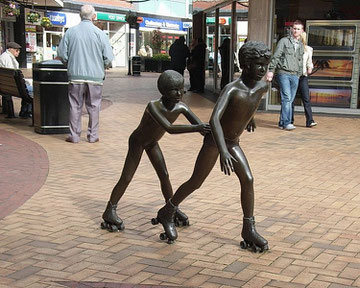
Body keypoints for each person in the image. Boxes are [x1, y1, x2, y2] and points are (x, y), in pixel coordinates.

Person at [153, 41, 272, 252]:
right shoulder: (232, 88)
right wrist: (222, 150)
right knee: (196, 181)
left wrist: (249, 118)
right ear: (245, 64)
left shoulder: (262, 87)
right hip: (215, 142)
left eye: (265, 65)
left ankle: (248, 228)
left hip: (233, 142)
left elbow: (249, 104)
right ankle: (167, 211)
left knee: (248, 179)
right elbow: (215, 119)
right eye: (258, 65)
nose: (262, 70)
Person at [101, 70, 211, 232]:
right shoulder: (153, 106)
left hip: (152, 142)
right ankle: (110, 210)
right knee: (127, 176)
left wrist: (216, 127)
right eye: (174, 90)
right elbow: (169, 128)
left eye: (181, 89)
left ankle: (171, 207)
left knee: (164, 175)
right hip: (138, 142)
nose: (179, 93)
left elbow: (202, 127)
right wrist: (197, 128)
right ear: (163, 91)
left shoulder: (181, 107)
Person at [57, 5, 114, 143]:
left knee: (75, 105)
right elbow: (108, 58)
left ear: (79, 15)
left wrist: (69, 64)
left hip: (75, 76)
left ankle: (74, 136)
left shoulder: (70, 32)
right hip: (95, 78)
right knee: (94, 106)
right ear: (93, 16)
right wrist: (102, 66)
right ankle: (93, 136)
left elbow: (62, 54)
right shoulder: (100, 34)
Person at [266, 20, 305, 131]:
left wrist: (299, 74)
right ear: (292, 29)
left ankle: (282, 122)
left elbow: (300, 60)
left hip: (295, 75)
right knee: (286, 98)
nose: (296, 30)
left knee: (289, 100)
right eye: (294, 28)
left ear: (302, 31)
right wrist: (271, 71)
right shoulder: (284, 41)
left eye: (298, 29)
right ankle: (287, 123)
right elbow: (276, 56)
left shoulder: (301, 45)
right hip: (284, 73)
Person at [0, 41, 33, 119]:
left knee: (27, 87)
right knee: (34, 89)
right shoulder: (7, 58)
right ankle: (26, 111)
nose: (18, 52)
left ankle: (24, 111)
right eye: (16, 50)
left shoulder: (4, 56)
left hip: (7, 86)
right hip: (15, 87)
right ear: (10, 49)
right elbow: (13, 73)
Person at [291, 32, 317, 128]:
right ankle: (290, 120)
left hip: (303, 76)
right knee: (291, 99)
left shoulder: (309, 49)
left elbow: (309, 61)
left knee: (306, 98)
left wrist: (310, 68)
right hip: (293, 75)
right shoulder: (293, 47)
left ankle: (310, 120)